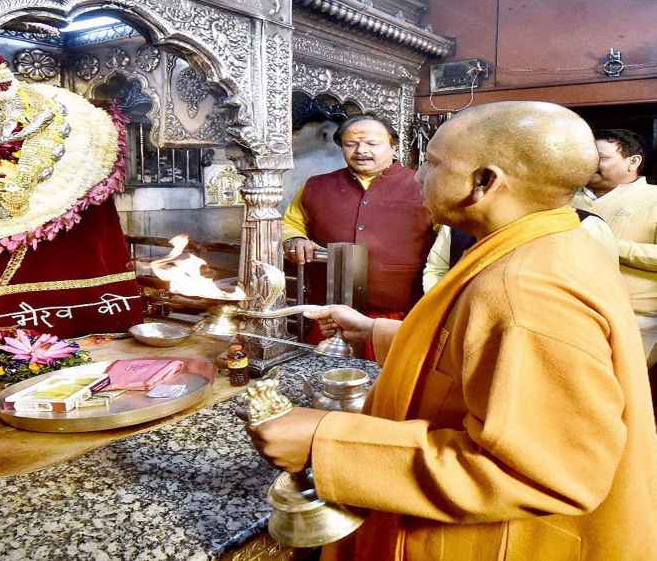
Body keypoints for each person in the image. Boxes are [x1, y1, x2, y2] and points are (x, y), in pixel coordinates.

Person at [249, 102, 657, 560]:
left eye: (433, 164)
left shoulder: (527, 289)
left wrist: (324, 442)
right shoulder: (549, 242)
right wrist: (374, 332)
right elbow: (483, 353)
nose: (419, 176)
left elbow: (546, 471)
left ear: (484, 182)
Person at [282, 115, 433, 344]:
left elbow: (449, 240)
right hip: (330, 318)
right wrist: (295, 239)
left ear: (393, 146)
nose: (361, 150)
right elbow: (291, 224)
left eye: (372, 144)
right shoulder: (316, 186)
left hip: (400, 319)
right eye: (351, 144)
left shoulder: (423, 185)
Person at [574, 129, 657, 366]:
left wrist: (609, 244)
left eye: (601, 157)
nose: (590, 164)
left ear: (633, 161)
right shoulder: (566, 198)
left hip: (637, 319)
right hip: (576, 312)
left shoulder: (654, 198)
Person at [422, 212, 619, 293]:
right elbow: (437, 268)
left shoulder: (584, 226)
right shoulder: (458, 221)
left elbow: (603, 293)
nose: (420, 175)